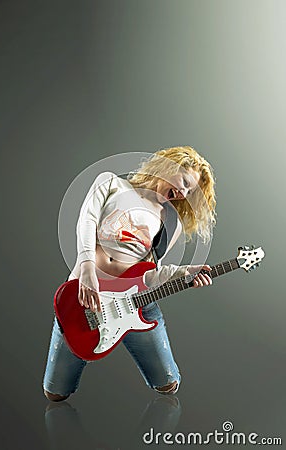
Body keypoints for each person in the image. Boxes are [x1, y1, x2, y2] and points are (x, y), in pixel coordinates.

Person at [43, 146, 216, 401]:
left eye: (190, 192)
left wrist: (185, 272)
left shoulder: (170, 222)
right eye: (185, 183)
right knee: (55, 394)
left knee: (168, 385)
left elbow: (149, 274)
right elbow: (87, 219)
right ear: (169, 166)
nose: (184, 193)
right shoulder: (111, 183)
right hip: (84, 296)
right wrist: (87, 268)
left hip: (133, 305)